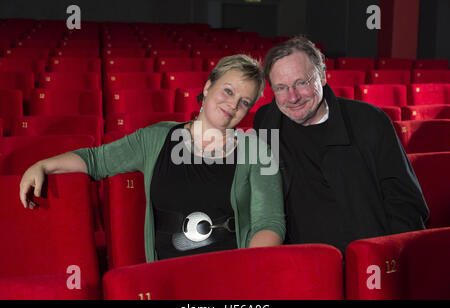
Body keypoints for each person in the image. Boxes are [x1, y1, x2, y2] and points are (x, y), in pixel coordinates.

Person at [20, 54, 286, 262]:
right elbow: (96, 161)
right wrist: (44, 164)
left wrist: (247, 269)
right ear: (207, 87)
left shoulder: (257, 150)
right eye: (228, 91)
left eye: (244, 102)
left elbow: (269, 223)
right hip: (165, 275)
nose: (233, 104)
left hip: (229, 270)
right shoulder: (155, 139)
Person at [253, 36, 429, 253]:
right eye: (281, 87)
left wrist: (389, 258)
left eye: (301, 83)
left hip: (367, 258)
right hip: (303, 262)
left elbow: (405, 203)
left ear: (322, 77)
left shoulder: (370, 121)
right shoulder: (266, 123)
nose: (293, 97)